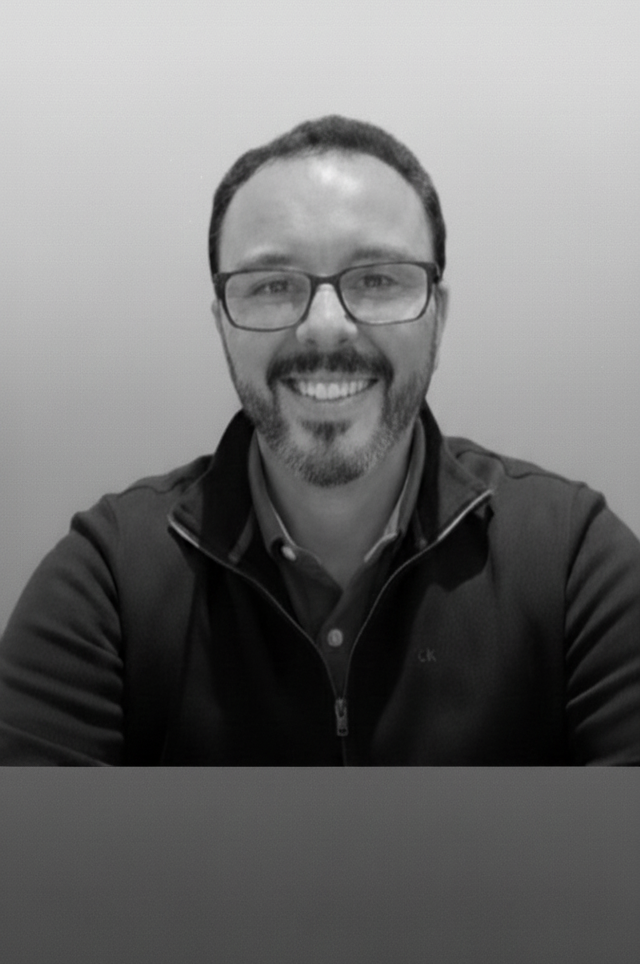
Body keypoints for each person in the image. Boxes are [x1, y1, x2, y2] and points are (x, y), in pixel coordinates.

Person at [1, 113, 639, 765]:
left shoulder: (569, 563)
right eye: (275, 286)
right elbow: (28, 859)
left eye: (377, 279)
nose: (326, 328)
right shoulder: (109, 578)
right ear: (223, 324)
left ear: (437, 318)